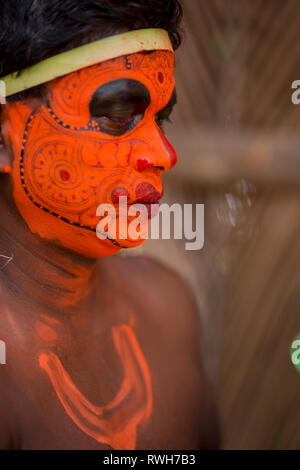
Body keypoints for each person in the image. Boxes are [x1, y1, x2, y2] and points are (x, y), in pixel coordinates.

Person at [0, 0, 219, 450]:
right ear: (3, 141)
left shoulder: (168, 307)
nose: (161, 154)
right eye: (119, 116)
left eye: (161, 117)